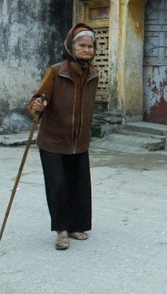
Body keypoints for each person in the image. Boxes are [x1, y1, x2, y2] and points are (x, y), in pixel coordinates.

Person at [29, 23, 99, 250]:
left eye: (90, 46)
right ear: (71, 46)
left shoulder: (94, 74)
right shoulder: (55, 71)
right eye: (82, 45)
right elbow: (36, 101)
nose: (87, 50)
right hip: (53, 140)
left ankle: (77, 226)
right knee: (58, 185)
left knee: (79, 185)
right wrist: (37, 105)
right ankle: (61, 230)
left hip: (79, 141)